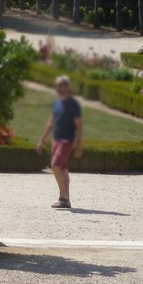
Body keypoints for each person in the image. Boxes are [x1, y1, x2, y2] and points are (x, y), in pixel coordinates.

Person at [36, 75, 83, 209]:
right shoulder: (57, 103)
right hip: (56, 140)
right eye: (58, 85)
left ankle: (63, 198)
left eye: (63, 84)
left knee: (55, 165)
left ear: (68, 86)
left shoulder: (73, 104)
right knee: (63, 169)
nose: (60, 87)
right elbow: (50, 124)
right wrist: (41, 140)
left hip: (66, 140)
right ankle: (67, 199)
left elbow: (79, 125)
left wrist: (79, 145)